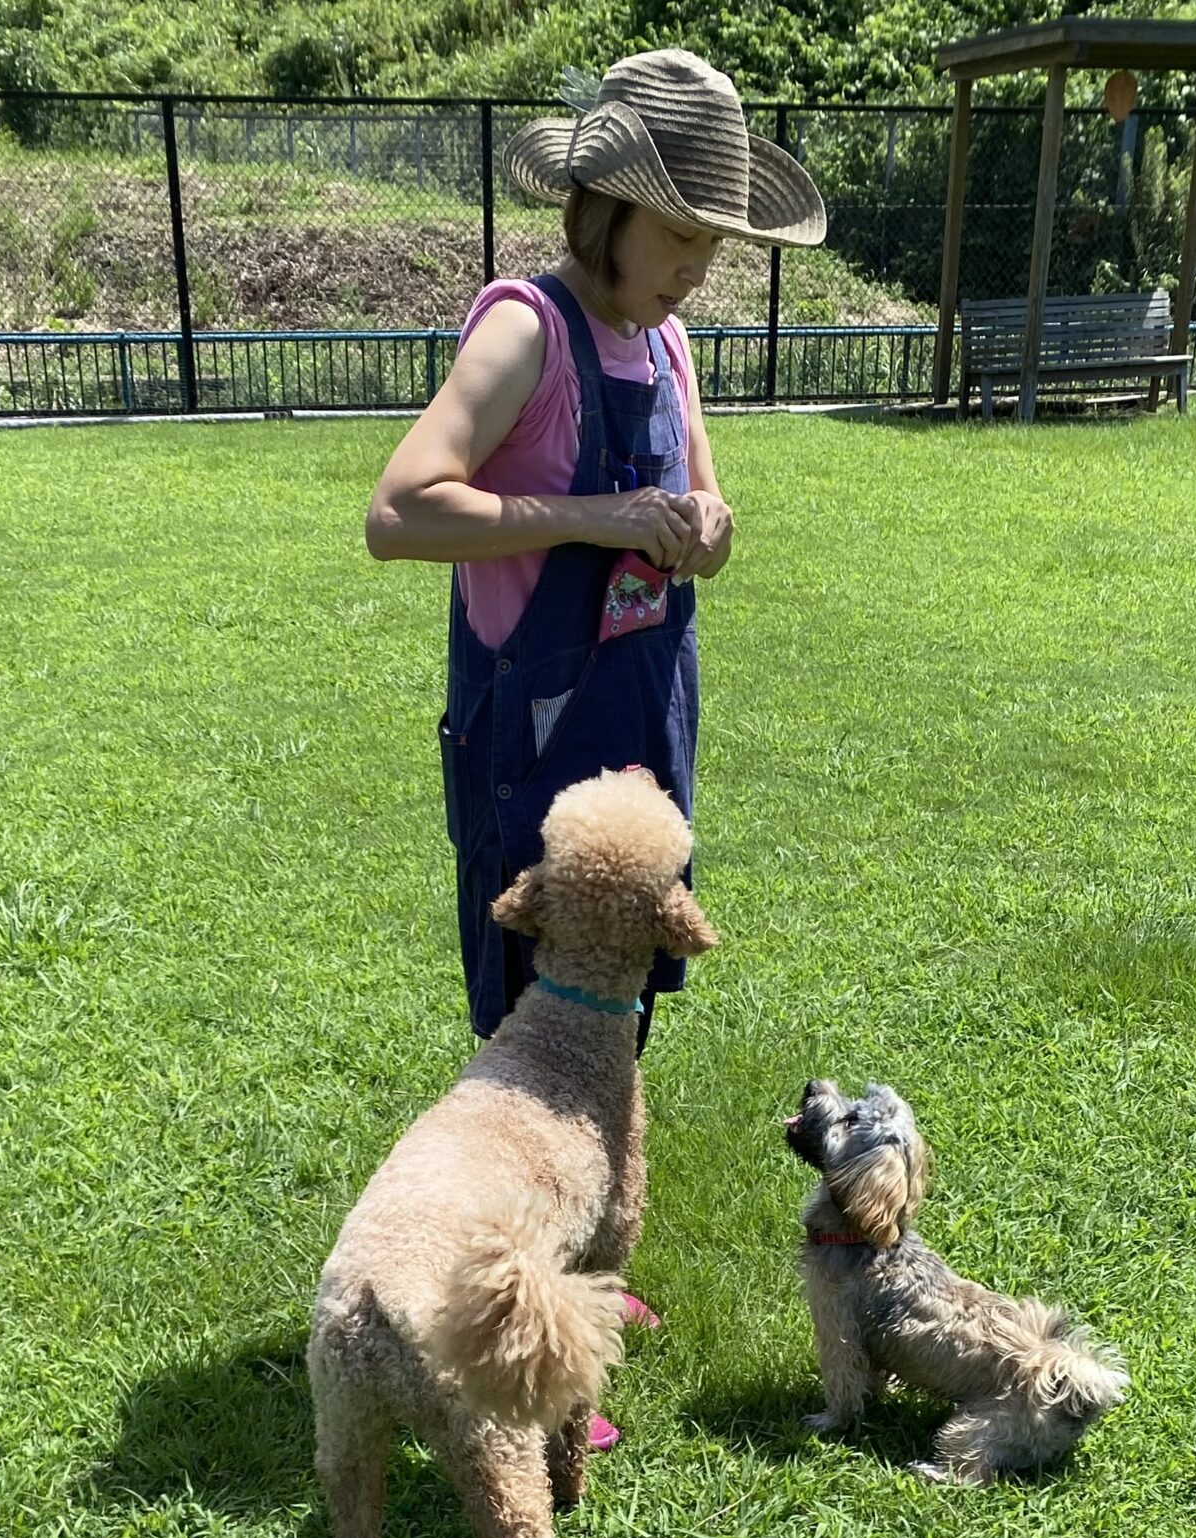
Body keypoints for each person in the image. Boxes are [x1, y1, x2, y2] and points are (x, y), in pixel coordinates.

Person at [365, 48, 825, 1444]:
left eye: (714, 242)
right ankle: (513, 1336)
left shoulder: (669, 346)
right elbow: (400, 511)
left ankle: (581, 1275)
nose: (696, 267)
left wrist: (705, 528)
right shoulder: (528, 330)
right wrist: (591, 517)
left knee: (616, 1020)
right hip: (533, 730)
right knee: (529, 1050)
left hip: (641, 720)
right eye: (679, 233)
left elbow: (707, 516)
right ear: (605, 208)